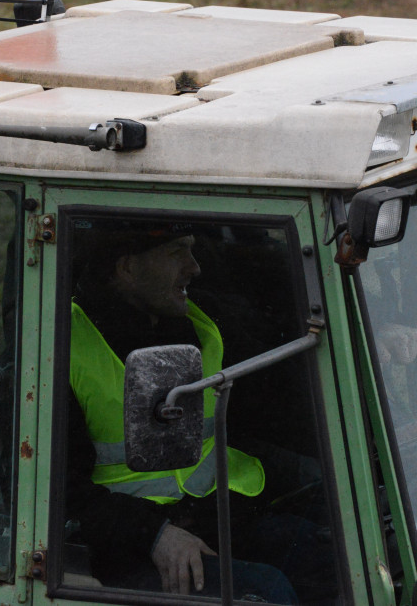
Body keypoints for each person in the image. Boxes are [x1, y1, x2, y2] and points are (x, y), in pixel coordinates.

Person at [65, 222, 333, 602]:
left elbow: (286, 389)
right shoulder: (57, 348)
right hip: (125, 546)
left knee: (333, 554)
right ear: (126, 268)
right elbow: (58, 495)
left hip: (217, 516)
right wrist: (155, 534)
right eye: (177, 253)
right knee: (266, 591)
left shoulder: (202, 323)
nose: (195, 267)